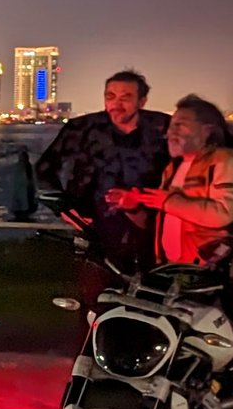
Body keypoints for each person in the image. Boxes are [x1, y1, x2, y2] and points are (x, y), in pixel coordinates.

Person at [37, 71, 170, 284]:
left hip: (151, 228)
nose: (117, 103)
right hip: (92, 224)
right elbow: (44, 169)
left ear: (142, 101)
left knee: (152, 287)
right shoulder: (81, 129)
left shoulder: (163, 129)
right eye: (110, 96)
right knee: (96, 288)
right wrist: (64, 208)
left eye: (126, 97)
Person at [110, 95, 233, 267]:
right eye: (171, 125)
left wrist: (168, 202)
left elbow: (223, 214)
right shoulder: (172, 168)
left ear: (207, 130)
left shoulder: (226, 161)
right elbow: (160, 220)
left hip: (208, 270)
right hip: (171, 267)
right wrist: (133, 206)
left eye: (180, 125)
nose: (171, 132)